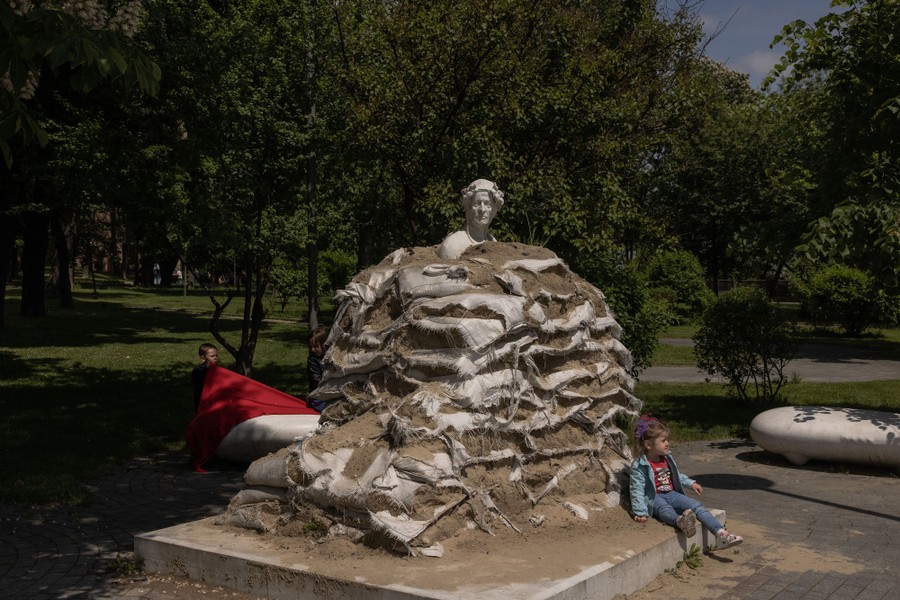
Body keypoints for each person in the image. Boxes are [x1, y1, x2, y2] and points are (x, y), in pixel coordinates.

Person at [629, 415, 744, 549]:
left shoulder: (666, 458)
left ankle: (721, 534)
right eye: (663, 440)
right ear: (649, 445)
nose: (667, 443)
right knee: (664, 510)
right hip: (655, 498)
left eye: (667, 440)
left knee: (697, 506)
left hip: (672, 494)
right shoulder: (640, 465)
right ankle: (679, 521)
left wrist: (691, 483)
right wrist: (640, 511)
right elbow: (636, 489)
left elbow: (677, 475)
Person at [436, 178, 505, 260]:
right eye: (477, 204)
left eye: (487, 204)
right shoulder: (453, 245)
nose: (482, 210)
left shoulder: (492, 241)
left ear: (493, 210)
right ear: (468, 207)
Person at [191, 343, 219, 413]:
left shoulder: (217, 369)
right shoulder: (199, 370)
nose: (215, 358)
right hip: (202, 400)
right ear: (203, 358)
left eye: (216, 355)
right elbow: (197, 381)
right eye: (212, 356)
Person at [306, 327, 329, 412]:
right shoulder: (312, 360)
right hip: (318, 397)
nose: (312, 349)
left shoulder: (331, 357)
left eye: (316, 346)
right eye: (310, 347)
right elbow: (316, 381)